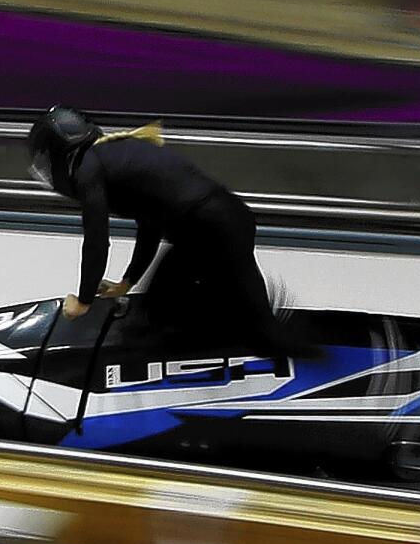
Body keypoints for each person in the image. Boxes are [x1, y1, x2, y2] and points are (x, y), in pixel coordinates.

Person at [26, 105, 312, 356]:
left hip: (206, 230)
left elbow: (97, 239)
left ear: (59, 156)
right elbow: (149, 225)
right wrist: (127, 281)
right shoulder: (112, 153)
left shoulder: (89, 169)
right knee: (231, 309)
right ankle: (258, 331)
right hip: (225, 221)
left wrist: (84, 300)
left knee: (160, 310)